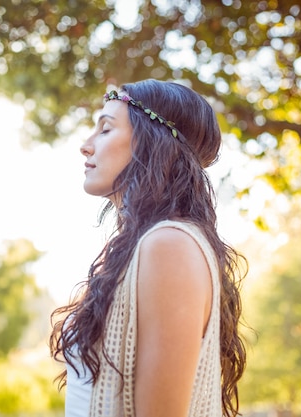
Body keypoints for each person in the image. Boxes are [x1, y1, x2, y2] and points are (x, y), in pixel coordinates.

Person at [49, 79, 247, 417]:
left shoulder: (170, 245)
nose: (86, 145)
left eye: (106, 129)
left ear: (149, 143)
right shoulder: (145, 247)